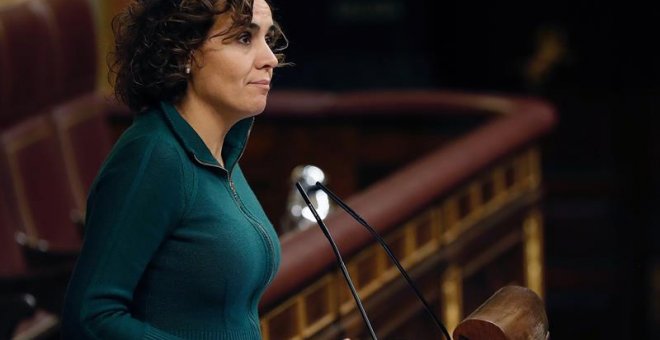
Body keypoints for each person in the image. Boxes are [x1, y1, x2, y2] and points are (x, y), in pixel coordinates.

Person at [62, 0, 287, 338]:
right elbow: (90, 318)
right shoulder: (153, 155)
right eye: (244, 38)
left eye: (268, 38)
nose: (269, 58)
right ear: (185, 52)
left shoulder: (220, 152)